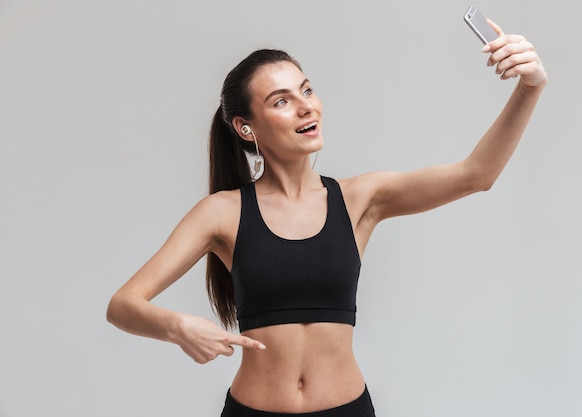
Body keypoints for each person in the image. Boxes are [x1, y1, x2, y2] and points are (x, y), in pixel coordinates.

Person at [106, 19, 547, 417]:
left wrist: (529, 88)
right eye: (281, 101)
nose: (306, 107)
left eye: (307, 90)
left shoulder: (361, 198)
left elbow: (476, 175)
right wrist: (178, 326)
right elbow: (123, 305)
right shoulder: (223, 212)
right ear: (246, 128)